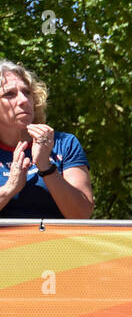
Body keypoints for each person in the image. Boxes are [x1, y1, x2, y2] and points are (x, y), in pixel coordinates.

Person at [0, 60, 94, 220]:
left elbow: (82, 214)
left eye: (27, 92)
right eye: (9, 94)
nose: (23, 100)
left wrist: (45, 166)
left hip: (55, 244)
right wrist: (9, 188)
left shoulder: (64, 143)